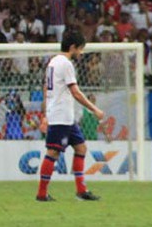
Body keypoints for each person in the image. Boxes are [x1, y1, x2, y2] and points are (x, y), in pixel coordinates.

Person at [36, 31, 104, 202]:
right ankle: (42, 193)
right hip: (60, 115)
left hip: (65, 115)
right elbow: (75, 92)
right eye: (80, 49)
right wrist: (94, 109)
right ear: (73, 47)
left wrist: (45, 113)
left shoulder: (53, 61)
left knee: (81, 148)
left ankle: (81, 191)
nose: (80, 53)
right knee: (53, 153)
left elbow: (46, 88)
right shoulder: (65, 64)